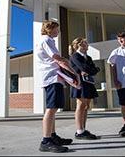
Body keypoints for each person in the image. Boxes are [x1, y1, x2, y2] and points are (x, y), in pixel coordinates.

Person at [37, 21, 80, 153]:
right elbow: (58, 59)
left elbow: (57, 59)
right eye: (56, 29)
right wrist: (74, 74)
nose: (58, 31)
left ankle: (52, 136)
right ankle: (46, 141)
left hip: (53, 77)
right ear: (48, 29)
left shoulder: (48, 41)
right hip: (52, 78)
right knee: (51, 109)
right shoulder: (47, 40)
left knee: (53, 109)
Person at [69, 37, 100, 140]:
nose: (87, 45)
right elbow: (84, 68)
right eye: (85, 43)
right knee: (81, 105)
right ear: (79, 45)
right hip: (80, 83)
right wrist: (90, 69)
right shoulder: (75, 56)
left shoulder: (89, 57)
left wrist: (93, 69)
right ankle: (79, 131)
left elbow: (94, 70)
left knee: (86, 106)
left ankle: (83, 129)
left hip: (89, 83)